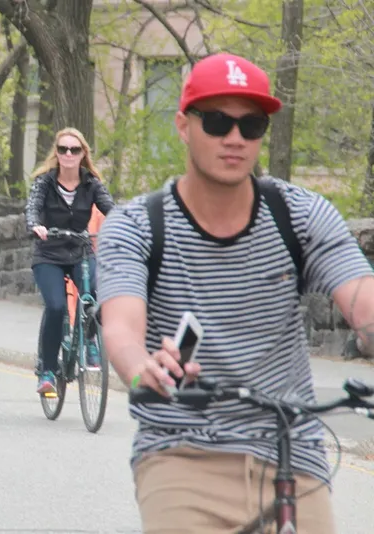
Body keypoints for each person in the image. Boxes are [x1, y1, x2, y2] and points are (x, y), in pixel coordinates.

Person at [96, 53, 374, 532]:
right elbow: (120, 328)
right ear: (184, 126)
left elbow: (363, 302)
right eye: (218, 121)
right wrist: (143, 368)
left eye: (252, 125)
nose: (235, 138)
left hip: (293, 452)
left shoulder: (301, 215)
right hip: (181, 455)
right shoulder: (137, 224)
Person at [24, 127, 114, 394]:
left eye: (74, 150)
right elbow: (33, 207)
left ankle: (91, 343)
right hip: (48, 254)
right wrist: (35, 225)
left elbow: (112, 208)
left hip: (80, 252)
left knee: (98, 297)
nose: (68, 154)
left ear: (82, 153)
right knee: (56, 307)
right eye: (63, 149)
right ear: (57, 153)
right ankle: (47, 370)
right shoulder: (45, 182)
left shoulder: (92, 184)